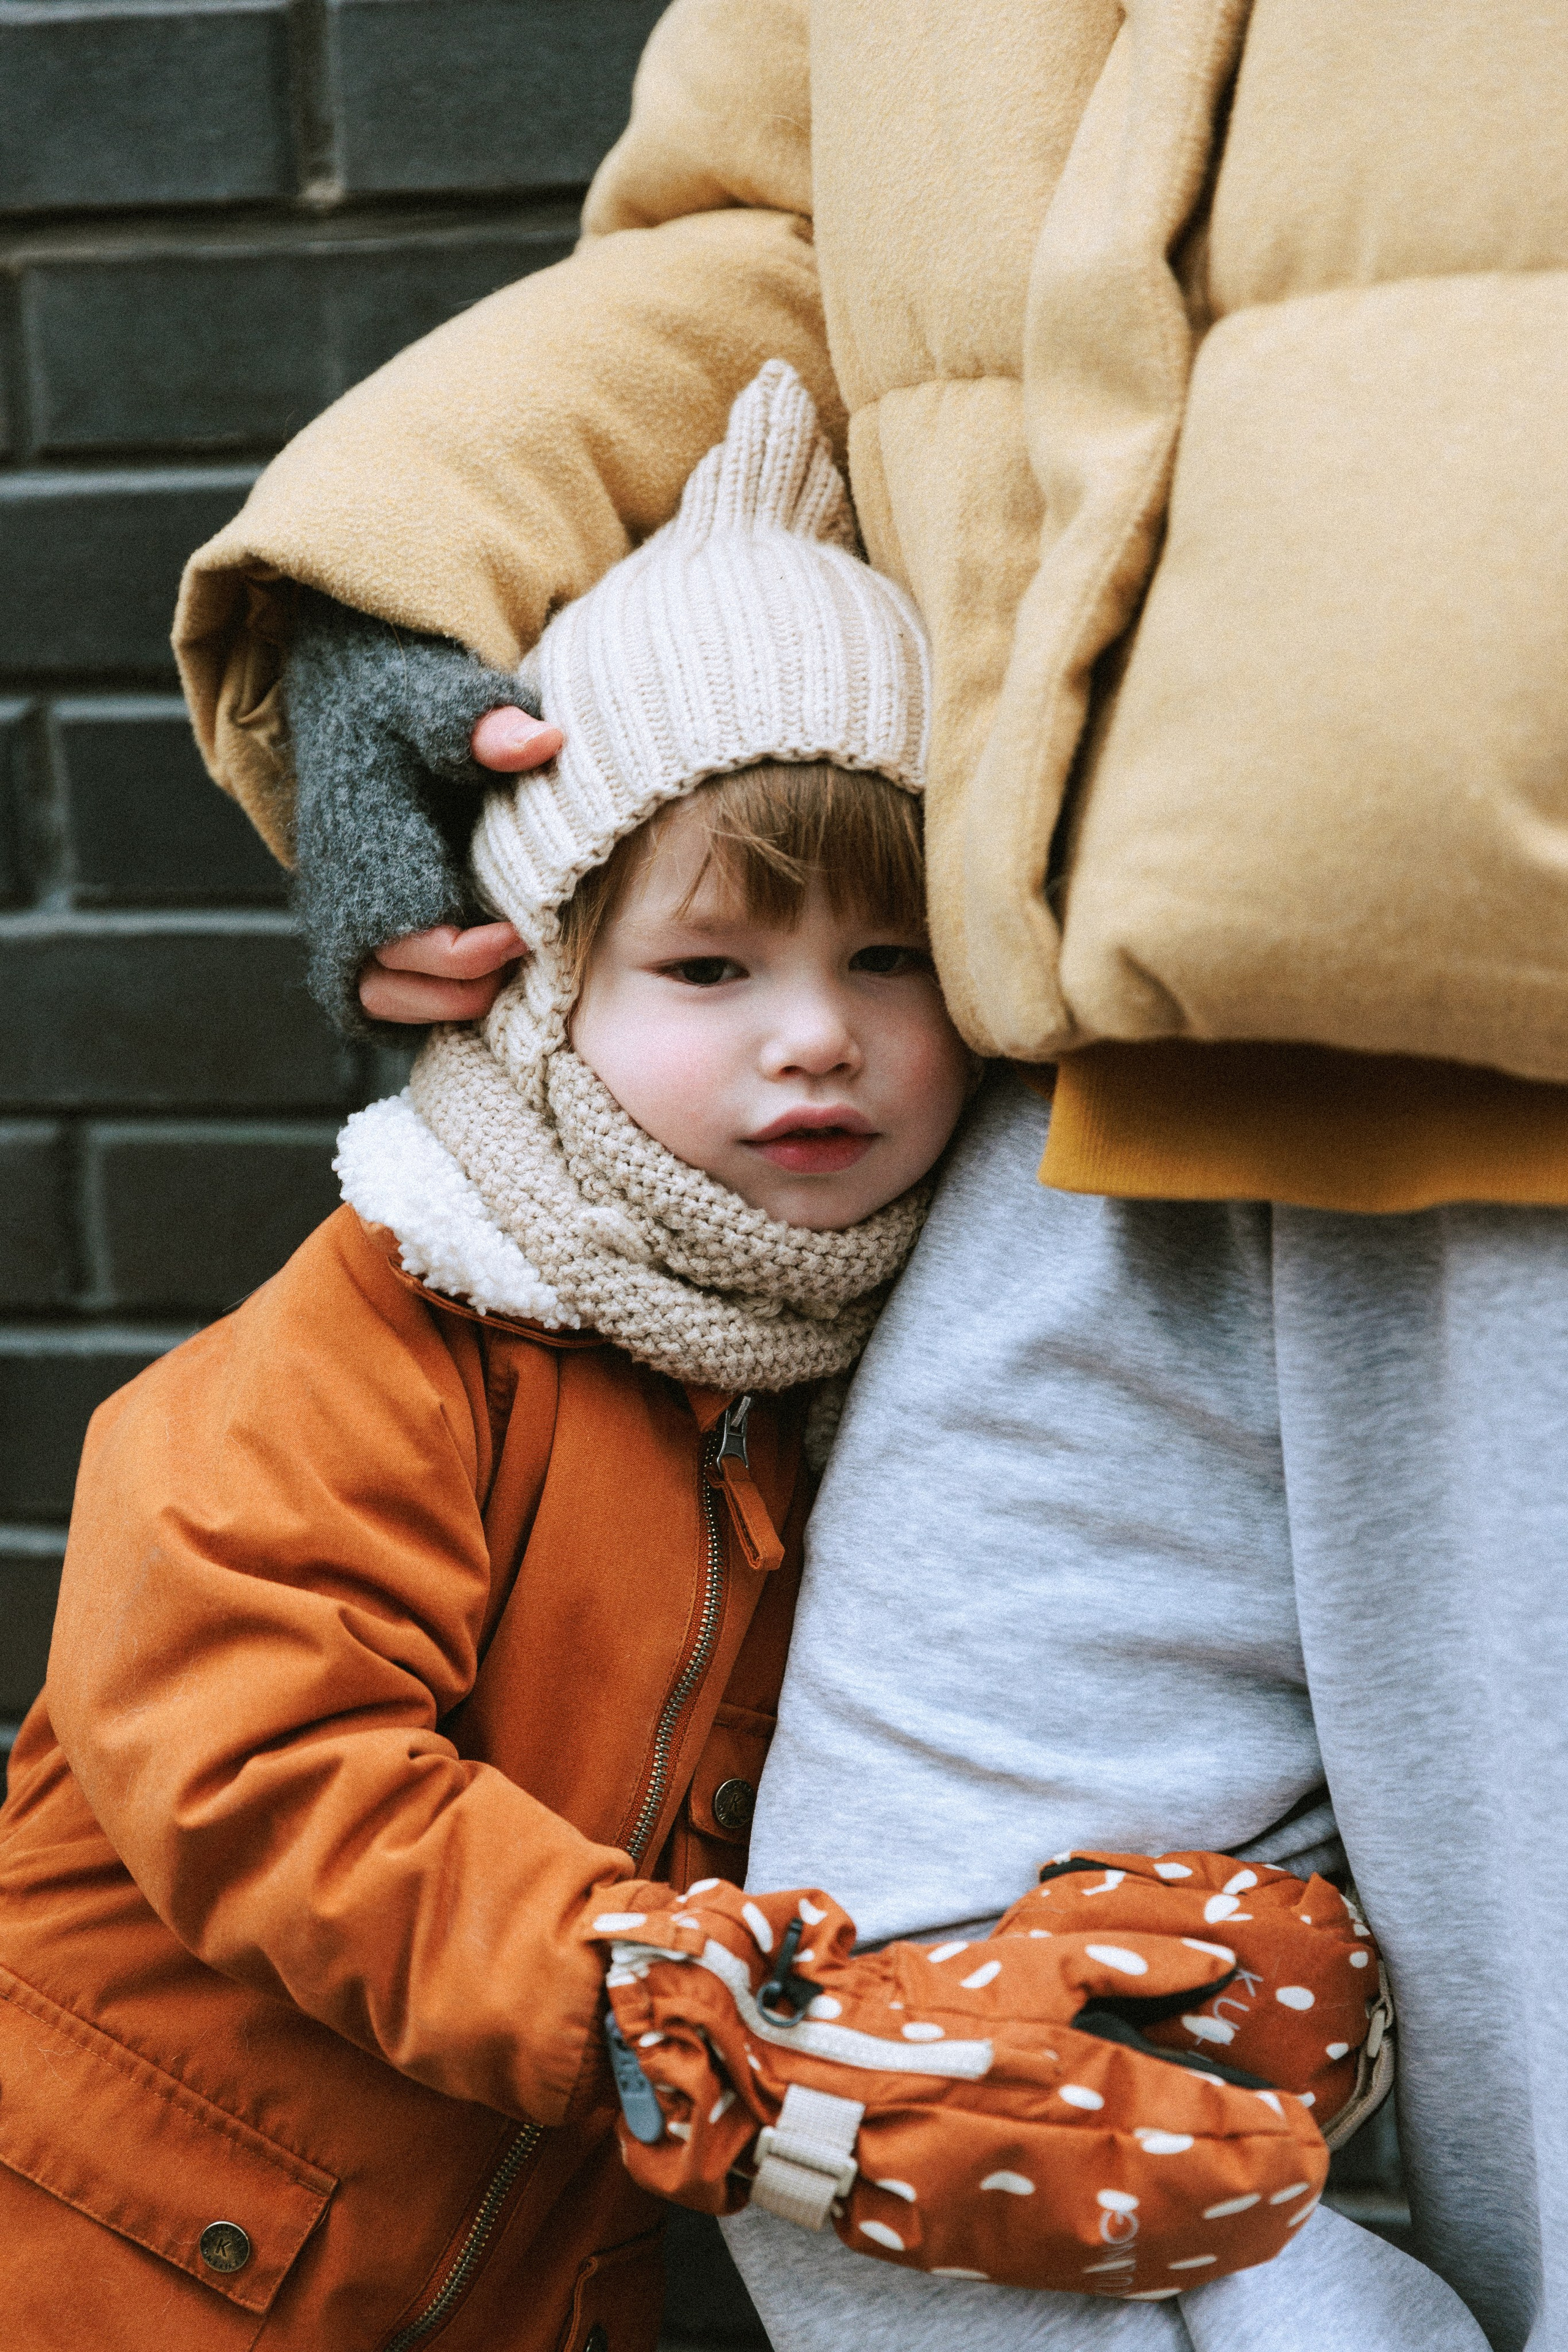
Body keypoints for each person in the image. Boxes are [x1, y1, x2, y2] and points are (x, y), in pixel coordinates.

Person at [170, 10, 1568, 2349]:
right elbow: (769, 231)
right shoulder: (423, 1328)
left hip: (1510, 1039)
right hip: (1082, 1078)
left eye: (842, 961)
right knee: (899, 2111)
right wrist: (402, 560)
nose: (802, 1032)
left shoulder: (748, 1274)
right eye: (709, 963)